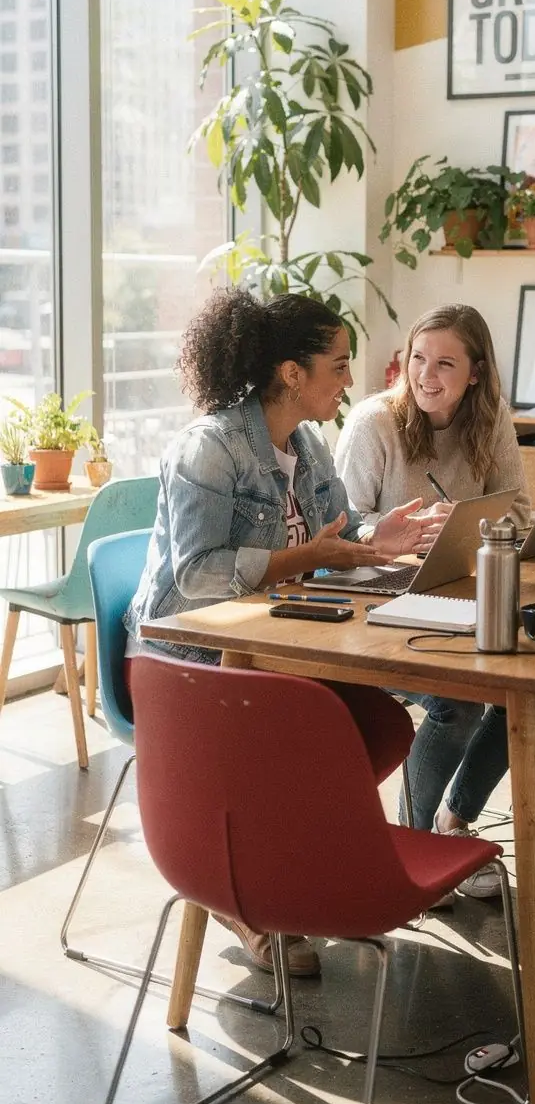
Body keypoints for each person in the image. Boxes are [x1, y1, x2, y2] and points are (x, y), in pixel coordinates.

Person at [125, 288, 434, 976]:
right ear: (292, 373)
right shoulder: (209, 449)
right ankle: (240, 892)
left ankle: (278, 868)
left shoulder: (308, 445)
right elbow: (197, 576)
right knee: (309, 737)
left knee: (375, 727)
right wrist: (307, 559)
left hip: (275, 646)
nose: (349, 379)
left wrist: (376, 538)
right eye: (338, 364)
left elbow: (336, 534)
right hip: (187, 659)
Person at [336, 304, 531, 899]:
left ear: (476, 372)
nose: (426, 375)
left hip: (452, 596)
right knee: (459, 703)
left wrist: (470, 525)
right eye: (418, 358)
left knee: (527, 690)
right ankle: (409, 847)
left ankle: (452, 822)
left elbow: (520, 514)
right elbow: (338, 530)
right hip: (372, 607)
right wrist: (387, 533)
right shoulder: (374, 423)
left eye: (445, 363)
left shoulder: (490, 421)